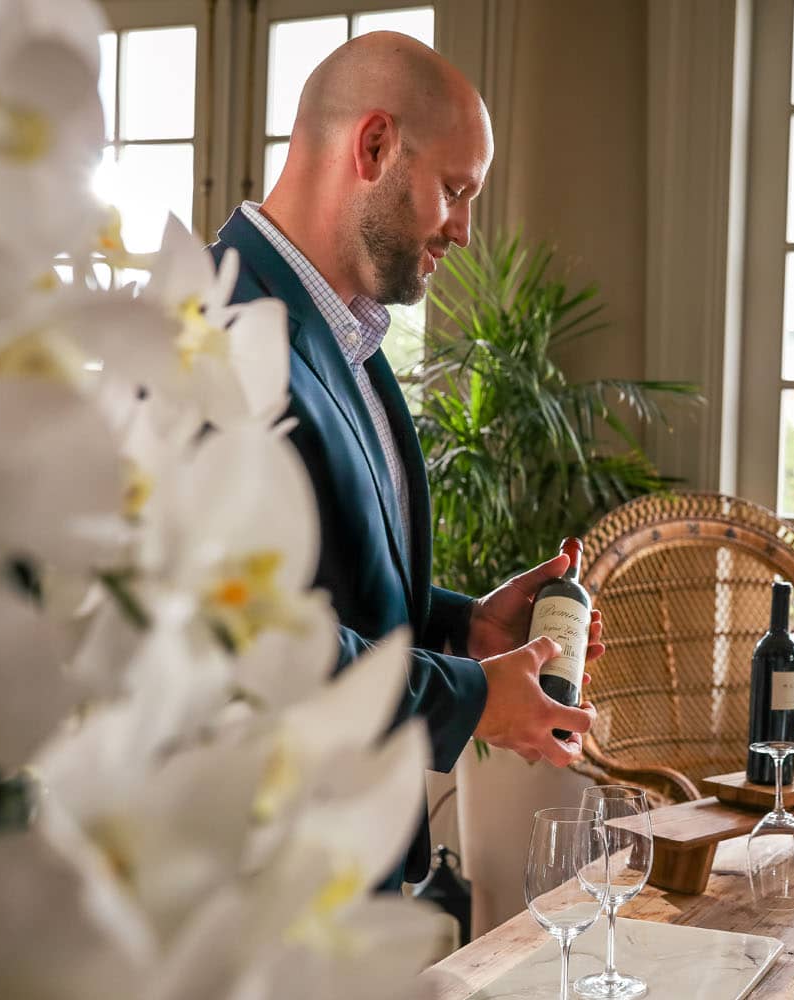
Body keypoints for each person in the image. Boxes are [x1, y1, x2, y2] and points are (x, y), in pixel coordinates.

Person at [209, 32, 601, 885]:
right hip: (252, 880)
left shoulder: (348, 338)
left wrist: (463, 627)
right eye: (455, 191)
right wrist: (470, 698)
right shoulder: (215, 331)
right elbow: (237, 637)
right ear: (375, 146)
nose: (463, 230)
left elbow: (314, 583)